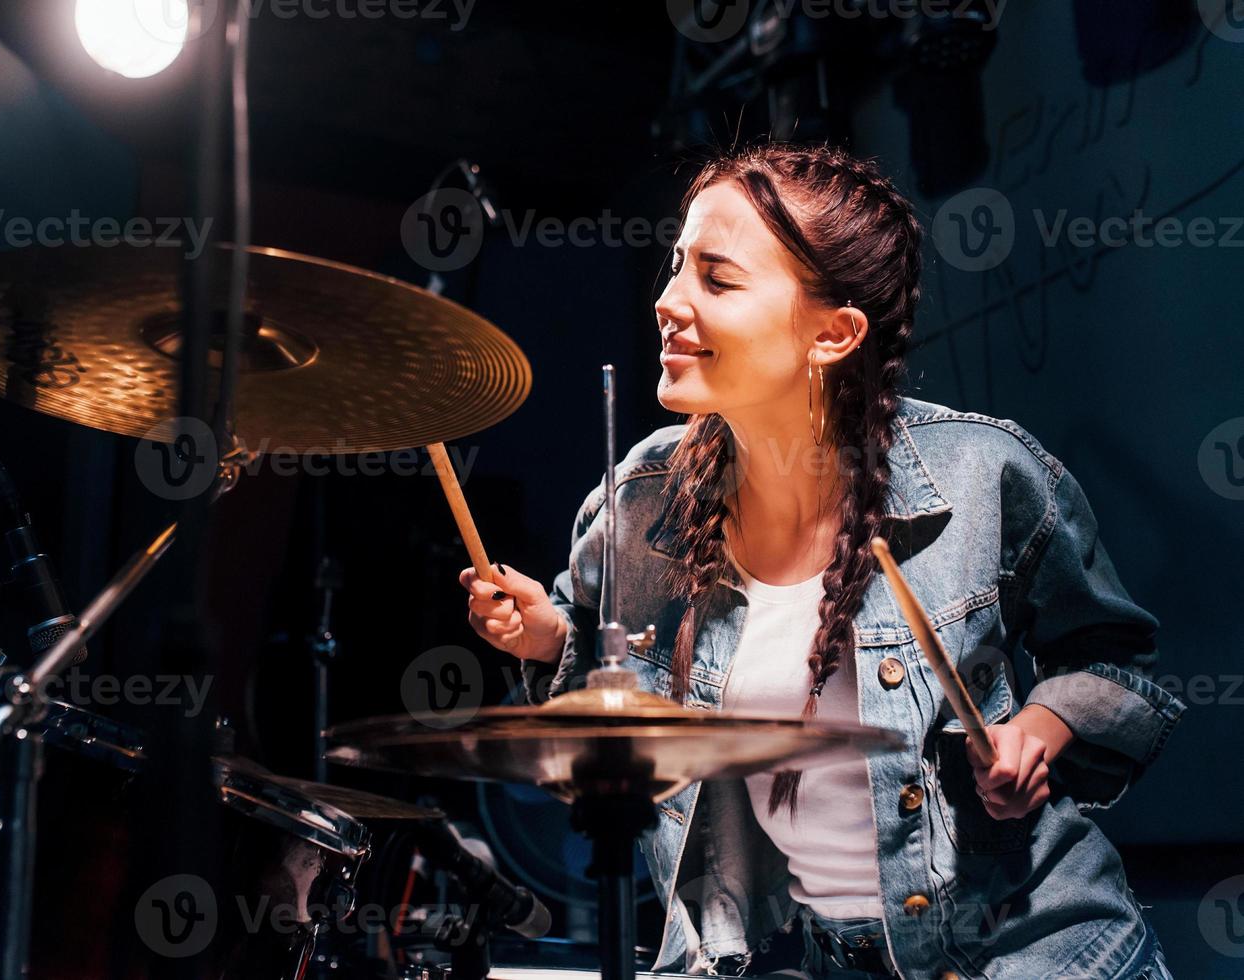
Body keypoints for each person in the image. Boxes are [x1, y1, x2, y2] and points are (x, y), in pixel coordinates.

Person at [459, 143, 1183, 978]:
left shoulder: (981, 472)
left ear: (832, 335)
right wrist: (549, 641)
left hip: (1044, 954)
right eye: (675, 268)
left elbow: (1112, 658)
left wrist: (1039, 732)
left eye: (717, 279)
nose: (668, 302)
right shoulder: (641, 501)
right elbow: (611, 713)